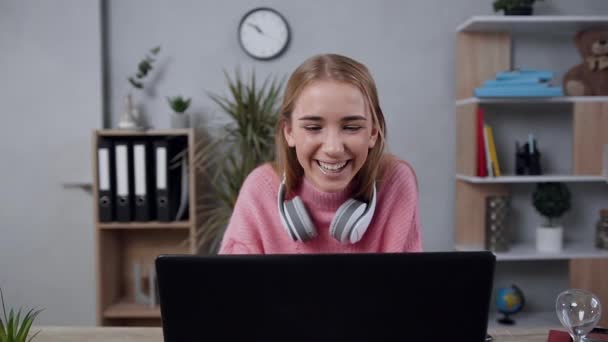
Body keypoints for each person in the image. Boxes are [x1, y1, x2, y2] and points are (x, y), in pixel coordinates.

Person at [219, 53, 422, 254]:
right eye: (313, 127)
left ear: (373, 133)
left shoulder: (395, 181)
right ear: (289, 132)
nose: (333, 148)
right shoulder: (260, 188)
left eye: (351, 127)